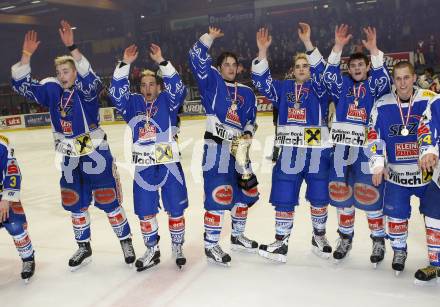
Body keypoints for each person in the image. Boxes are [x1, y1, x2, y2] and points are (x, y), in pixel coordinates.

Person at [11, 21, 135, 271]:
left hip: (95, 155)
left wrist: (72, 47)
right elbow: (22, 85)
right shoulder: (52, 91)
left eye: (66, 71)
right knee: (75, 202)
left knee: (108, 199)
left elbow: (92, 80)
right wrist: (26, 55)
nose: (61, 76)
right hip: (69, 158)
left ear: (75, 73)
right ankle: (83, 246)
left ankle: (126, 241)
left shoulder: (85, 91)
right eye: (59, 73)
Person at [251, 24, 332, 262]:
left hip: (317, 151)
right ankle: (281, 242)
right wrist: (262, 51)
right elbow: (261, 81)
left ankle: (319, 236)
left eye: (306, 65)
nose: (301, 69)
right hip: (289, 152)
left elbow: (324, 71)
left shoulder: (321, 87)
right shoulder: (283, 88)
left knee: (319, 196)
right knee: (284, 195)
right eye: (298, 66)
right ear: (292, 70)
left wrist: (308, 44)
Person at [109, 43, 188, 271]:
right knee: (145, 210)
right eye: (143, 85)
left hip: (168, 164)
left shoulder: (168, 101)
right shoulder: (132, 104)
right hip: (143, 167)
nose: (147, 88)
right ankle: (152, 249)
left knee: (175, 208)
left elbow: (178, 88)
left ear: (158, 86)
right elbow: (116, 93)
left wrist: (162, 61)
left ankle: (177, 245)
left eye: (152, 84)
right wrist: (124, 64)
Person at [189, 26, 259, 266]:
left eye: (234, 64)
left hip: (239, 151)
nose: (230, 68)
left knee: (243, 194)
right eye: (226, 64)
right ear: (219, 68)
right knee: (219, 194)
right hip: (216, 148)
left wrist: (248, 133)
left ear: (239, 68)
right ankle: (211, 245)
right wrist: (209, 38)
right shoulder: (212, 82)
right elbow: (195, 58)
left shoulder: (248, 93)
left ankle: (237, 236)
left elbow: (251, 120)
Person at [323, 24, 391, 265]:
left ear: (367, 67)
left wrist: (373, 49)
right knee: (342, 195)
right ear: (348, 68)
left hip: (365, 149)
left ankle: (378, 240)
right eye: (352, 66)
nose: (356, 68)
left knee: (370, 194)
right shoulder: (342, 84)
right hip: (341, 149)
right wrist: (338, 47)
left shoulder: (373, 85)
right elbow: (327, 76)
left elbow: (384, 79)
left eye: (361, 65)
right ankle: (345, 238)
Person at [369, 61, 436, 276]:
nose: (402, 83)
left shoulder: (429, 99)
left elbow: (434, 128)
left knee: (435, 215)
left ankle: (436, 259)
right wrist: (378, 164)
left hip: (428, 175)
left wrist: (431, 150)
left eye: (406, 77)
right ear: (393, 80)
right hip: (398, 175)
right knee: (395, 216)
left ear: (414, 77)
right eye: (398, 78)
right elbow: (373, 136)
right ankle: (399, 251)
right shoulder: (382, 104)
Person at [0, 135, 35, 282]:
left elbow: (12, 170)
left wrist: (7, 198)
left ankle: (28, 258)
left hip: (3, 195)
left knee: (15, 225)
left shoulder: (2, 143)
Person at [417, 93, 440, 283]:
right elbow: (425, 128)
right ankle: (436, 264)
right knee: (432, 213)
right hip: (439, 175)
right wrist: (429, 151)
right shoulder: (436, 102)